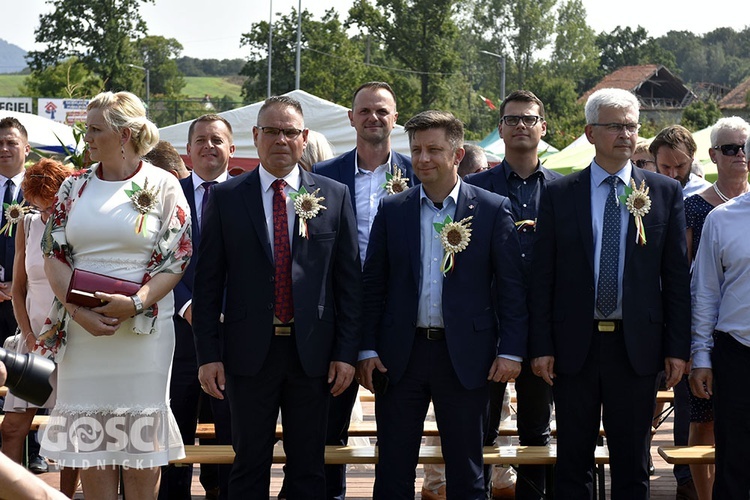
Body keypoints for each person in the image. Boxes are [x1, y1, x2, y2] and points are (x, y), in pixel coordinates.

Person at [193, 95, 362, 498]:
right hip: (247, 355)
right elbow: (208, 283)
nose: (281, 140)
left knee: (308, 468)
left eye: (290, 132)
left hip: (314, 356)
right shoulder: (228, 198)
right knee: (248, 464)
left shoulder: (334, 196)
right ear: (255, 136)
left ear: (304, 138)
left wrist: (345, 353)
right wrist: (208, 356)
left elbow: (349, 282)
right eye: (272, 131)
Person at [530, 88, 691, 499]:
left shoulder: (664, 192)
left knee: (633, 463)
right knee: (572, 462)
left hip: (635, 347)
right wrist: (542, 344)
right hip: (573, 347)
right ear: (590, 132)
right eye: (615, 125)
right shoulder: (559, 193)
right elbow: (543, 276)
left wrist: (677, 348)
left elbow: (674, 278)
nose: (625, 134)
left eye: (631, 126)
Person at [358, 110, 527, 499]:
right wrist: (367, 348)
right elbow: (373, 286)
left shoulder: (490, 208)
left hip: (467, 358)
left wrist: (512, 350)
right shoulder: (393, 209)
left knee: (467, 471)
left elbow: (511, 289)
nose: (422, 159)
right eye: (416, 150)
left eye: (434, 149)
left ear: (457, 154)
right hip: (402, 356)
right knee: (394, 469)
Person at [37, 91, 191, 500]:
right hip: (83, 333)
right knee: (93, 446)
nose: (86, 136)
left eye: (94, 129)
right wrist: (76, 310)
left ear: (124, 135)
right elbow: (52, 252)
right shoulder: (73, 187)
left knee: (141, 443)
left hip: (143, 334)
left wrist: (136, 303)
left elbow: (179, 255)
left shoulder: (164, 185)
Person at [312, 81, 417, 499]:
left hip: (396, 317)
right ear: (350, 117)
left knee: (397, 432)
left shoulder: (418, 173)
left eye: (382, 111)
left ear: (396, 119)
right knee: (325, 429)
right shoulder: (321, 175)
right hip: (334, 317)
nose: (373, 117)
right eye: (365, 110)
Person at [465, 89, 561, 500]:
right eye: (512, 119)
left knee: (537, 432)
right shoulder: (471, 189)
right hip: (487, 326)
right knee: (478, 431)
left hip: (545, 326)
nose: (521, 125)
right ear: (500, 129)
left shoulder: (565, 189)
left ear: (543, 128)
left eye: (529, 119)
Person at [161, 114, 235, 500]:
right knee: (175, 427)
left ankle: (220, 492)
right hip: (179, 337)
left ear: (232, 149)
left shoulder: (245, 194)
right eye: (201, 140)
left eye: (217, 140)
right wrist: (188, 303)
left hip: (232, 334)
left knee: (230, 430)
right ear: (187, 151)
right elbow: (158, 259)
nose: (209, 146)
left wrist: (223, 309)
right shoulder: (168, 197)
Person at [0, 158, 79, 496]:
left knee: (74, 436)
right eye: (37, 205)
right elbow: (18, 288)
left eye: (50, 205)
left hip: (74, 344)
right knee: (13, 428)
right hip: (32, 345)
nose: (44, 212)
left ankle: (62, 496)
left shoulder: (78, 223)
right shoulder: (28, 225)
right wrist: (29, 337)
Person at [684, 116, 750, 500]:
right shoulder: (721, 220)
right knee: (735, 460)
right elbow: (704, 293)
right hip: (737, 352)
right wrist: (702, 357)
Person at [650, 123, 706, 499]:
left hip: (694, 312)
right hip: (650, 314)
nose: (672, 174)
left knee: (690, 400)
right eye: (664, 167)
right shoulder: (643, 194)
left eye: (679, 167)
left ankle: (686, 477)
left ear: (693, 161)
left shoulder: (704, 200)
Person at [0, 361, 70, 500]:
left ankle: (67, 494)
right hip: (35, 349)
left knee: (74, 428)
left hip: (71, 354)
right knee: (11, 429)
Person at [0, 117, 28, 345]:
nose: (4, 149)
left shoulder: (46, 189)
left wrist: (19, 284)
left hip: (29, 300)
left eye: (11, 142)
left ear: (27, 148)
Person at [651, 124, 710, 197]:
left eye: (680, 166)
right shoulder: (642, 191)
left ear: (692, 157)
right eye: (666, 167)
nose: (673, 175)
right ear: (654, 159)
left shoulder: (707, 196)